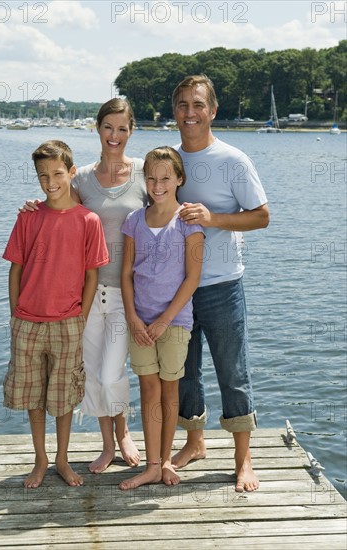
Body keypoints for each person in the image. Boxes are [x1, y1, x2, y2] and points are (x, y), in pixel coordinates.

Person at [20, 99, 147, 473]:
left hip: (128, 293)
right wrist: (31, 206)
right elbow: (57, 203)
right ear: (97, 128)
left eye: (122, 128)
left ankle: (124, 430)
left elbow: (167, 211)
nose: (115, 135)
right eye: (108, 127)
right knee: (92, 373)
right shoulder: (82, 178)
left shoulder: (144, 173)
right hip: (87, 295)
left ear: (131, 131)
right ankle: (107, 444)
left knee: (112, 373)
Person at [172, 75, 269, 492]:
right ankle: (195, 443)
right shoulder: (166, 161)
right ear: (174, 111)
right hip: (177, 288)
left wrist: (212, 219)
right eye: (182, 105)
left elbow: (261, 215)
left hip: (223, 285)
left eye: (198, 105)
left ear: (212, 110)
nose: (189, 113)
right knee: (184, 373)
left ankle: (243, 459)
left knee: (233, 373)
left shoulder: (233, 159)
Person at [3, 140, 109, 488]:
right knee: (33, 397)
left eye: (57, 174)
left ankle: (63, 459)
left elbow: (92, 274)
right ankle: (41, 459)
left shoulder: (88, 220)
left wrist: (81, 316)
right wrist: (16, 314)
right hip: (28, 322)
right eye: (42, 175)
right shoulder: (29, 216)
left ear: (71, 173)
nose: (50, 182)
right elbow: (15, 269)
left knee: (63, 398)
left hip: (68, 322)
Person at [119, 146, 204, 490]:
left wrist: (164, 321)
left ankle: (166, 460)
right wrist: (135, 319)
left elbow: (192, 278)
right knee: (148, 390)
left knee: (170, 392)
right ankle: (152, 465)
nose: (157, 184)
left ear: (179, 180)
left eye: (165, 178)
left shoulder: (188, 222)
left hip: (174, 323)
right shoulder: (134, 221)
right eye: (151, 178)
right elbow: (126, 275)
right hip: (139, 322)